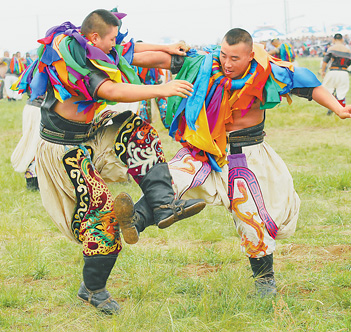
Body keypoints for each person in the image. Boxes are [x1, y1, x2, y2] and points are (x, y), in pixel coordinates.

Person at [117, 28, 351, 298]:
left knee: (251, 220)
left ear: (249, 55)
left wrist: (339, 108)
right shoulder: (205, 65)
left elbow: (308, 84)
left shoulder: (270, 71)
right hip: (206, 150)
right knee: (172, 180)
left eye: (235, 58)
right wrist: (114, 55)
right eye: (224, 55)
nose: (227, 63)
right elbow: (163, 60)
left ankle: (264, 282)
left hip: (247, 155)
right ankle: (134, 221)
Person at [12, 9, 206, 314]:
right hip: (63, 149)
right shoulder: (68, 60)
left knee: (136, 129)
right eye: (111, 38)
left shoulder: (94, 46)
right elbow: (111, 89)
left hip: (90, 132)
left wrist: (167, 49)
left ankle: (163, 204)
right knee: (102, 216)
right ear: (93, 38)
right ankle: (93, 289)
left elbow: (128, 50)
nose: (116, 44)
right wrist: (161, 88)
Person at [319, 33, 351, 115]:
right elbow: (349, 63)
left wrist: (323, 71)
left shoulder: (331, 48)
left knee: (328, 90)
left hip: (333, 72)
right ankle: (342, 110)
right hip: (343, 73)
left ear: (334, 40)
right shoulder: (347, 50)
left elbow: (325, 61)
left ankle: (331, 107)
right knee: (341, 92)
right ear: (342, 39)